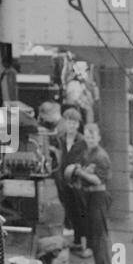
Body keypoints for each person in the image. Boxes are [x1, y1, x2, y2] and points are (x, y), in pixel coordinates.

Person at [65, 123, 113, 264]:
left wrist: (79, 172)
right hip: (89, 197)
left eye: (93, 136)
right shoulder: (87, 153)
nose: (89, 138)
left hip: (99, 197)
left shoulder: (101, 156)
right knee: (93, 234)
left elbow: (97, 180)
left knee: (100, 235)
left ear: (98, 137)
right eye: (87, 135)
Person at [55, 105, 87, 253]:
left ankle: (81, 240)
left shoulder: (82, 141)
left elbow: (82, 161)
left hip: (76, 183)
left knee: (79, 211)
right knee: (69, 210)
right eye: (68, 121)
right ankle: (75, 239)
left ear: (78, 124)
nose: (71, 125)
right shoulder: (60, 139)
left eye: (74, 122)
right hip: (63, 182)